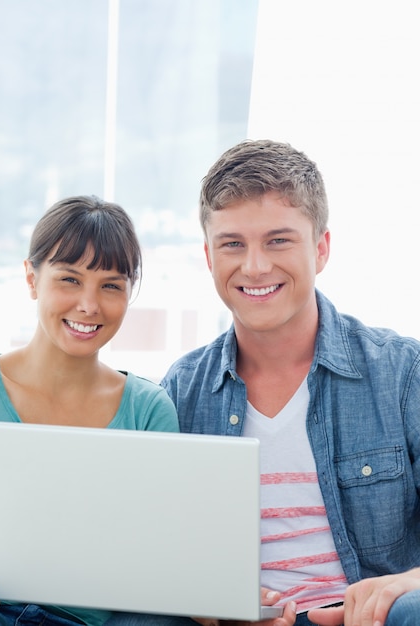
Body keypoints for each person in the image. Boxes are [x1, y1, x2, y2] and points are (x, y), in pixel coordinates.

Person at [108, 139, 420, 626]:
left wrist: (408, 584)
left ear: (321, 248)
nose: (254, 267)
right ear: (209, 258)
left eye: (278, 240)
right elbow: (164, 554)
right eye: (232, 244)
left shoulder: (401, 373)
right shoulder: (180, 391)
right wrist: (210, 604)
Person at [0, 195, 179, 626]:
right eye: (69, 279)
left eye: (111, 285)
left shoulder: (149, 409)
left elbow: (155, 555)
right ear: (31, 278)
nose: (89, 305)